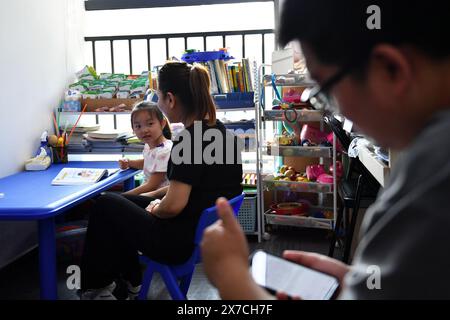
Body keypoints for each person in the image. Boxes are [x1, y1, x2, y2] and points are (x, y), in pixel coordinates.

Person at [201, 0, 450, 299]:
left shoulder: (434, 169)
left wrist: (231, 278)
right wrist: (364, 284)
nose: (335, 109)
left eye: (325, 90)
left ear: (391, 69)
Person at [80, 61, 243, 300]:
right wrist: (149, 201)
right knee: (116, 207)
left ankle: (97, 288)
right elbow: (188, 190)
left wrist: (157, 209)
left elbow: (174, 205)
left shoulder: (189, 141)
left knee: (105, 205)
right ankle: (128, 282)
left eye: (158, 97)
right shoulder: (221, 133)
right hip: (201, 235)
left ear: (170, 99)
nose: (158, 104)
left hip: (177, 241)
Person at [119, 101, 173, 196]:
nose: (144, 130)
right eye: (138, 126)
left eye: (150, 123)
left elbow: (152, 185)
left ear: (162, 123)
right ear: (133, 129)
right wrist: (129, 163)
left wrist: (124, 196)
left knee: (108, 200)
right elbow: (149, 163)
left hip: (158, 199)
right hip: (149, 194)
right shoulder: (149, 146)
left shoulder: (165, 151)